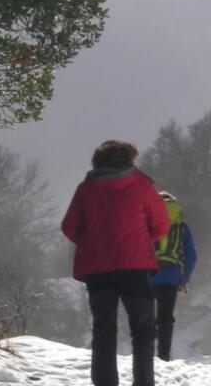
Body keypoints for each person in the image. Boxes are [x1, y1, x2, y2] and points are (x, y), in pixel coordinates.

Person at [61, 140, 170, 386]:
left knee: (103, 330)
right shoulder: (142, 185)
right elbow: (162, 225)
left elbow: (69, 227)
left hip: (98, 271)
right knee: (143, 330)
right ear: (129, 159)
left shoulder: (86, 189)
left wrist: (91, 243)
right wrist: (141, 241)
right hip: (135, 267)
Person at [150, 191, 197, 361]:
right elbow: (191, 255)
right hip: (170, 277)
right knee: (165, 318)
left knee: (145, 317)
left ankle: (145, 353)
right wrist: (183, 279)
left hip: (146, 275)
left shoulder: (146, 221)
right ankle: (163, 355)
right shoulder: (181, 226)